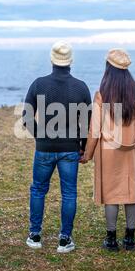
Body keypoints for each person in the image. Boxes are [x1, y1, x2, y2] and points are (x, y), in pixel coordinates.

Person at [23, 41, 92, 253]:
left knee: (38, 190)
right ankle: (64, 239)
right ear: (70, 62)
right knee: (69, 193)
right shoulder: (81, 87)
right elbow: (86, 123)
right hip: (70, 149)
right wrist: (82, 146)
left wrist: (41, 137)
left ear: (52, 60)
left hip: (44, 148)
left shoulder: (38, 84)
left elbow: (26, 116)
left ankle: (35, 236)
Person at [80, 49, 135, 251]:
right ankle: (129, 238)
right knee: (132, 191)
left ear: (108, 68)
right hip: (133, 148)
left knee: (111, 194)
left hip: (109, 150)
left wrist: (87, 154)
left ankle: (111, 239)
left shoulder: (102, 94)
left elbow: (94, 130)